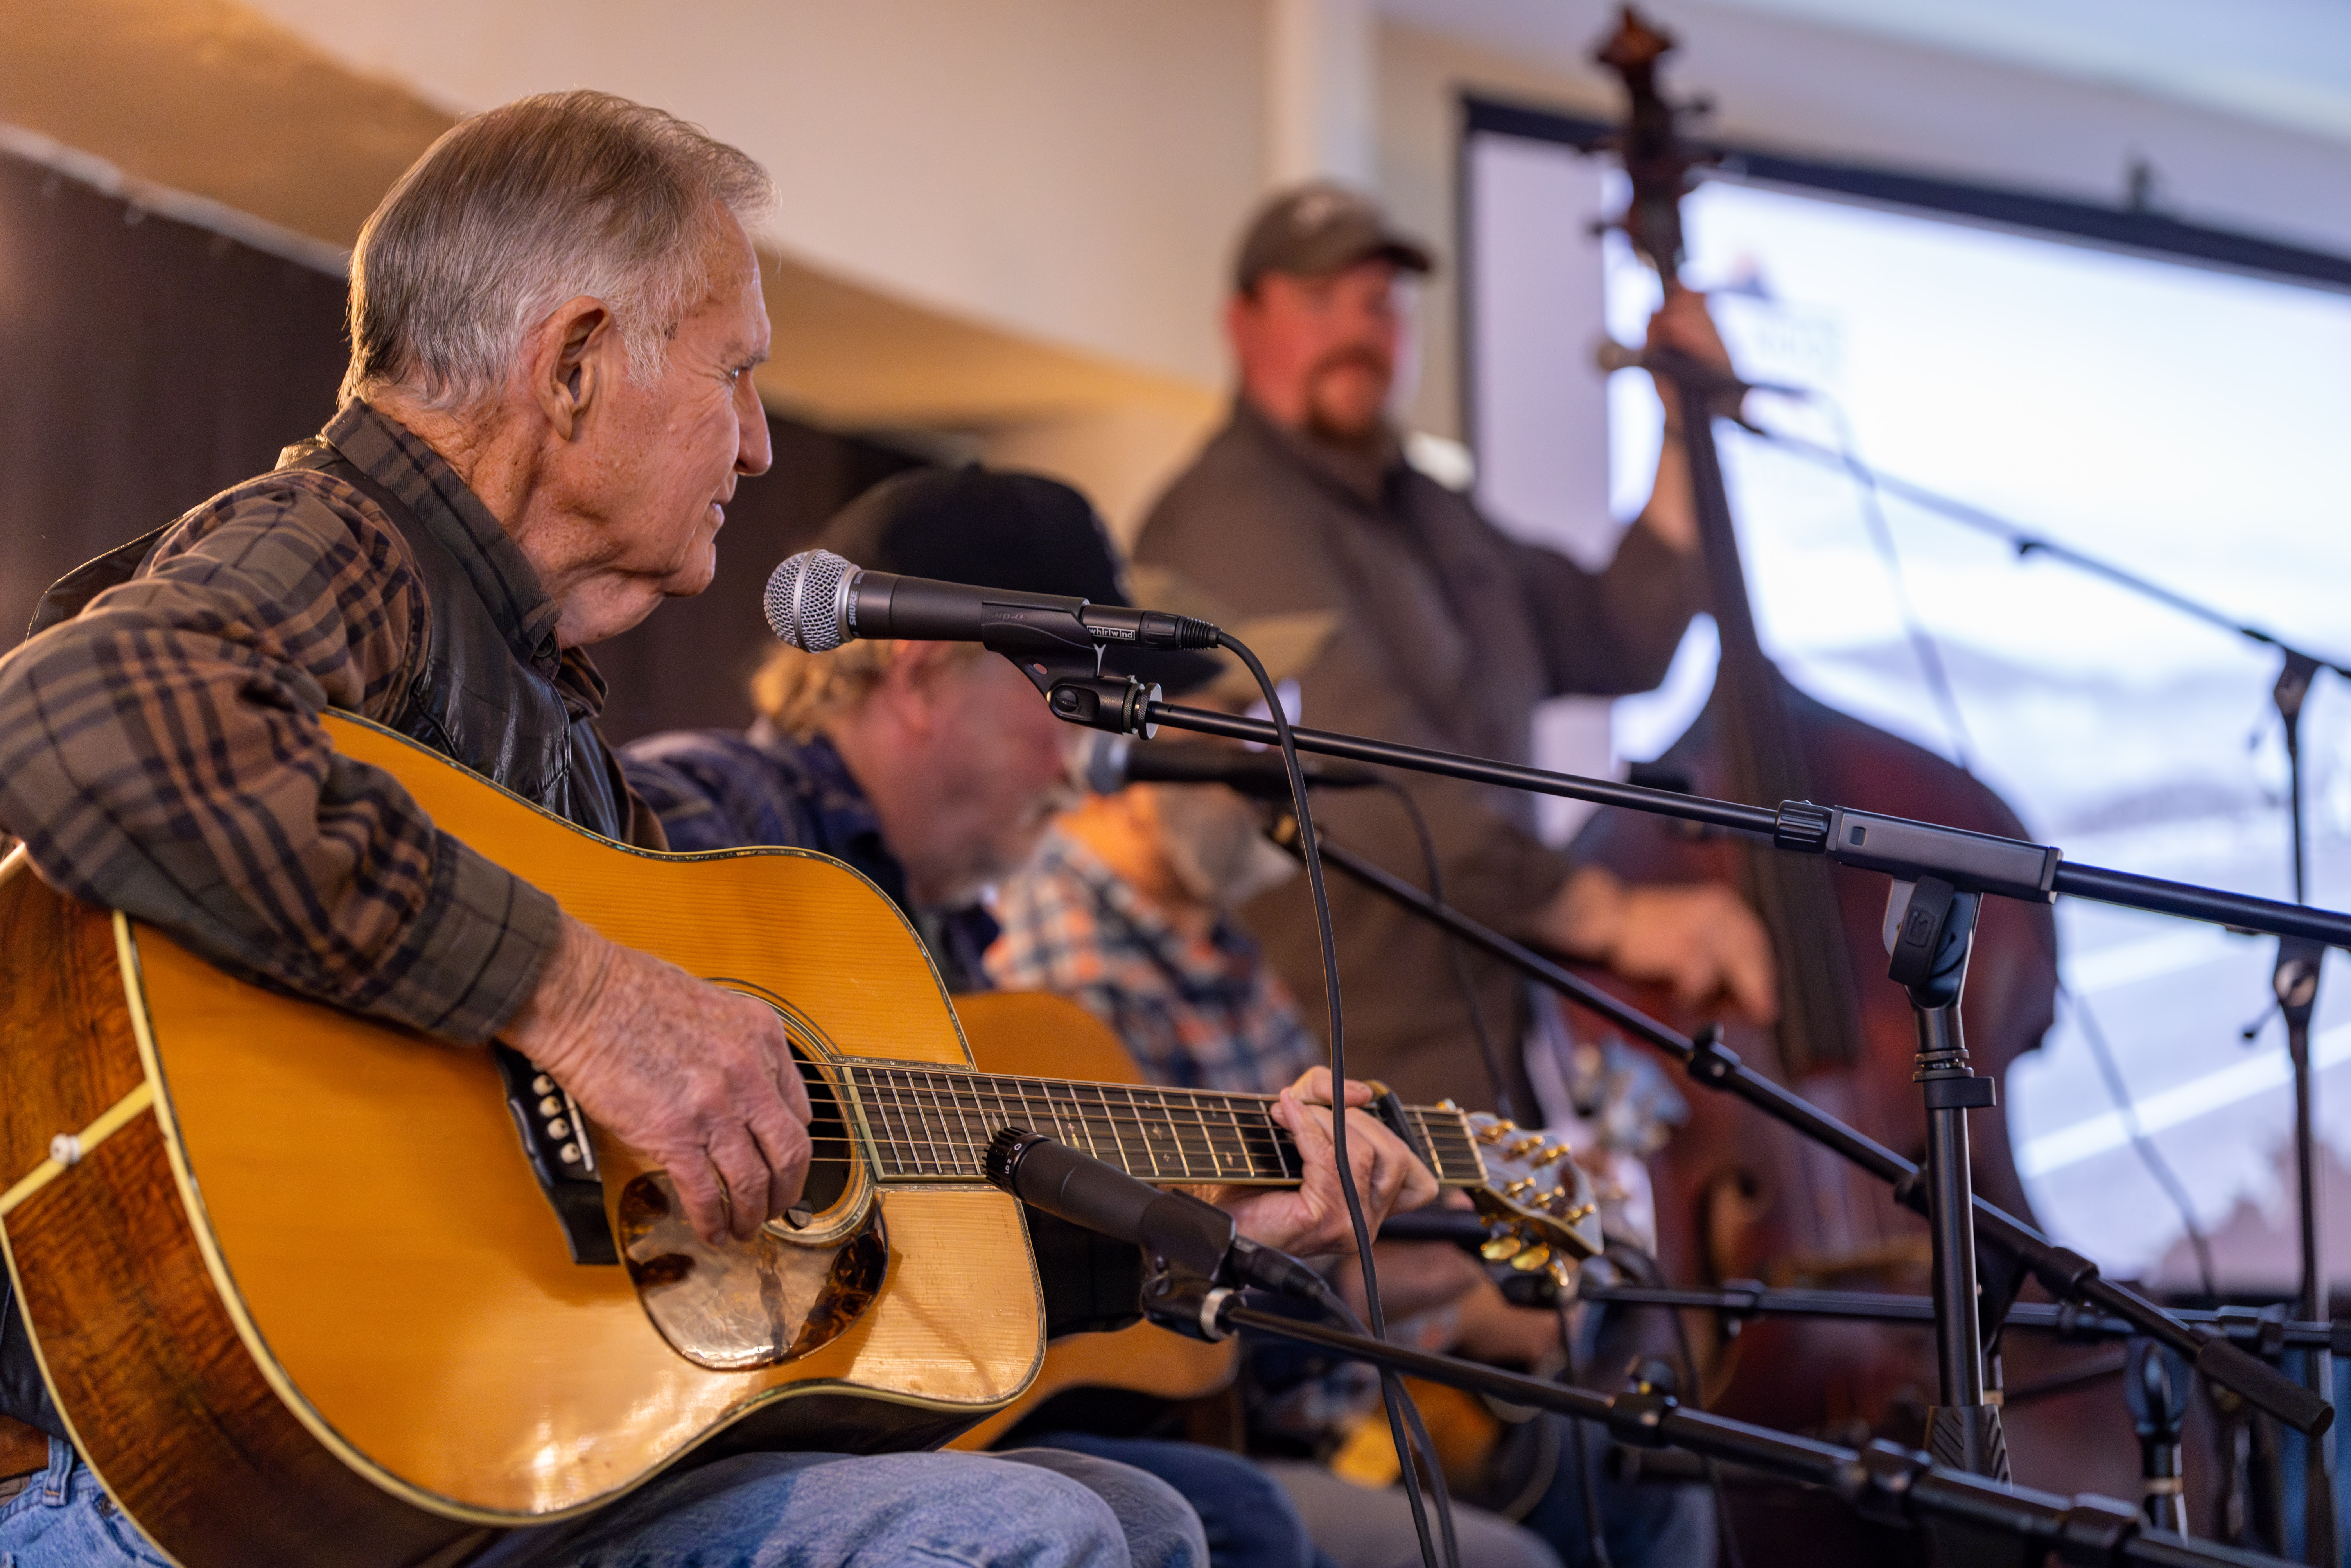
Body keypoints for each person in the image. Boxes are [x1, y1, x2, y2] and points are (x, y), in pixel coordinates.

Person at [0, 91, 1204, 1568]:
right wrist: (586, 998)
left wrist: (1202, 1217)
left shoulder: (544, 712)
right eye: (739, 373)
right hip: (154, 1476)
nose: (760, 446)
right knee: (1018, 1536)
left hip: (459, 1447)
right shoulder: (348, 539)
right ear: (572, 368)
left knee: (1138, 1519)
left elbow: (760, 1218)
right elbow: (79, 715)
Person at [621, 464, 1441, 1568]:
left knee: (1194, 1509)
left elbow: (928, 1279)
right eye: (1070, 704)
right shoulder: (709, 812)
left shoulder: (961, 952)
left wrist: (1210, 1224)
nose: (1088, 768)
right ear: (920, 674)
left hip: (799, 1414)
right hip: (631, 1402)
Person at [1132, 182, 1777, 1116]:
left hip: (1496, 1056)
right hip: (1350, 1081)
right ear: (1242, 322)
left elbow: (1621, 639)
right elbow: (1378, 783)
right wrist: (1617, 914)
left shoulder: (1431, 509)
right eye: (1320, 303)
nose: (1360, 331)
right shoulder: (1229, 517)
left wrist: (1684, 429)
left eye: (1382, 304)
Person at [990, 750, 1712, 1568]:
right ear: (1130, 770)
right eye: (1233, 736)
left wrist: (1415, 1268)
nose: (1273, 767)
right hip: (1209, 1424)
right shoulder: (1064, 951)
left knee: (1642, 1463)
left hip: (1316, 1397)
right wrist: (1442, 1312)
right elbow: (1152, 1312)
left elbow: (1273, 1218)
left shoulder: (1220, 941)